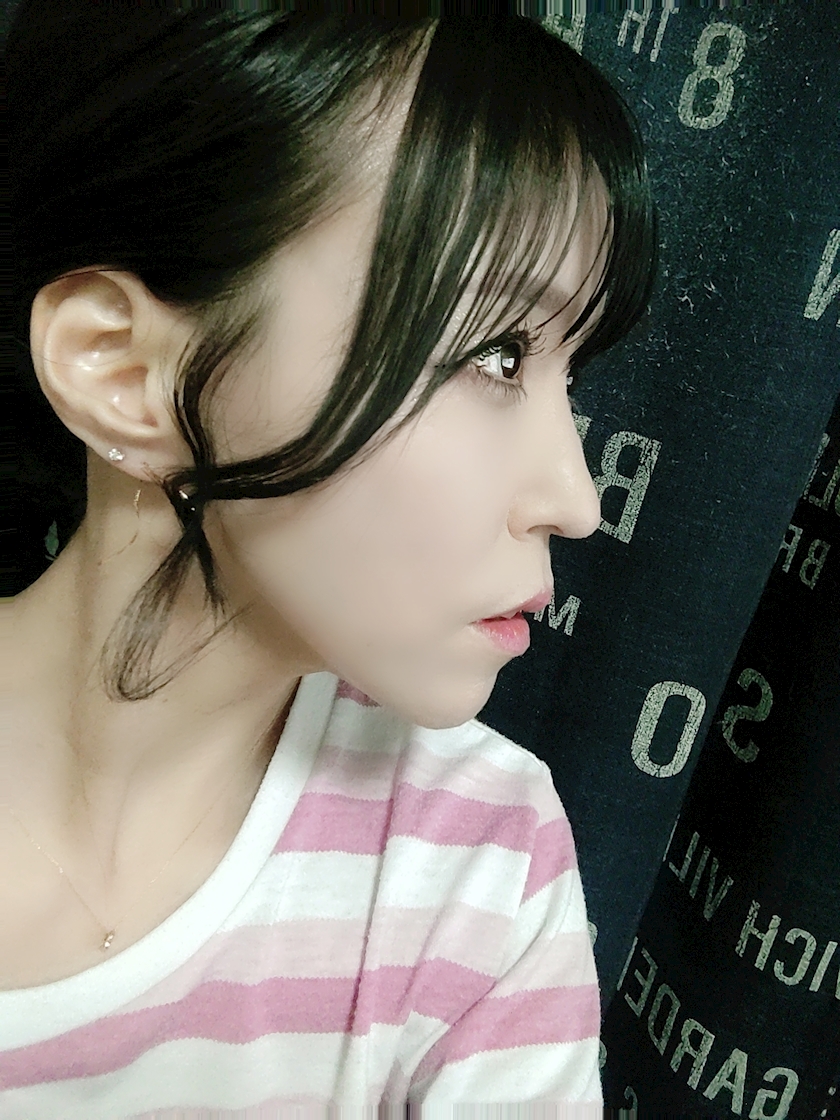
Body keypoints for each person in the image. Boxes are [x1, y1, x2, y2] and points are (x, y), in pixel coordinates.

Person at [3, 5, 656, 1113]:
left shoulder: (478, 865)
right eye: (497, 354)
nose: (577, 501)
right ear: (122, 370)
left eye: (568, 374)